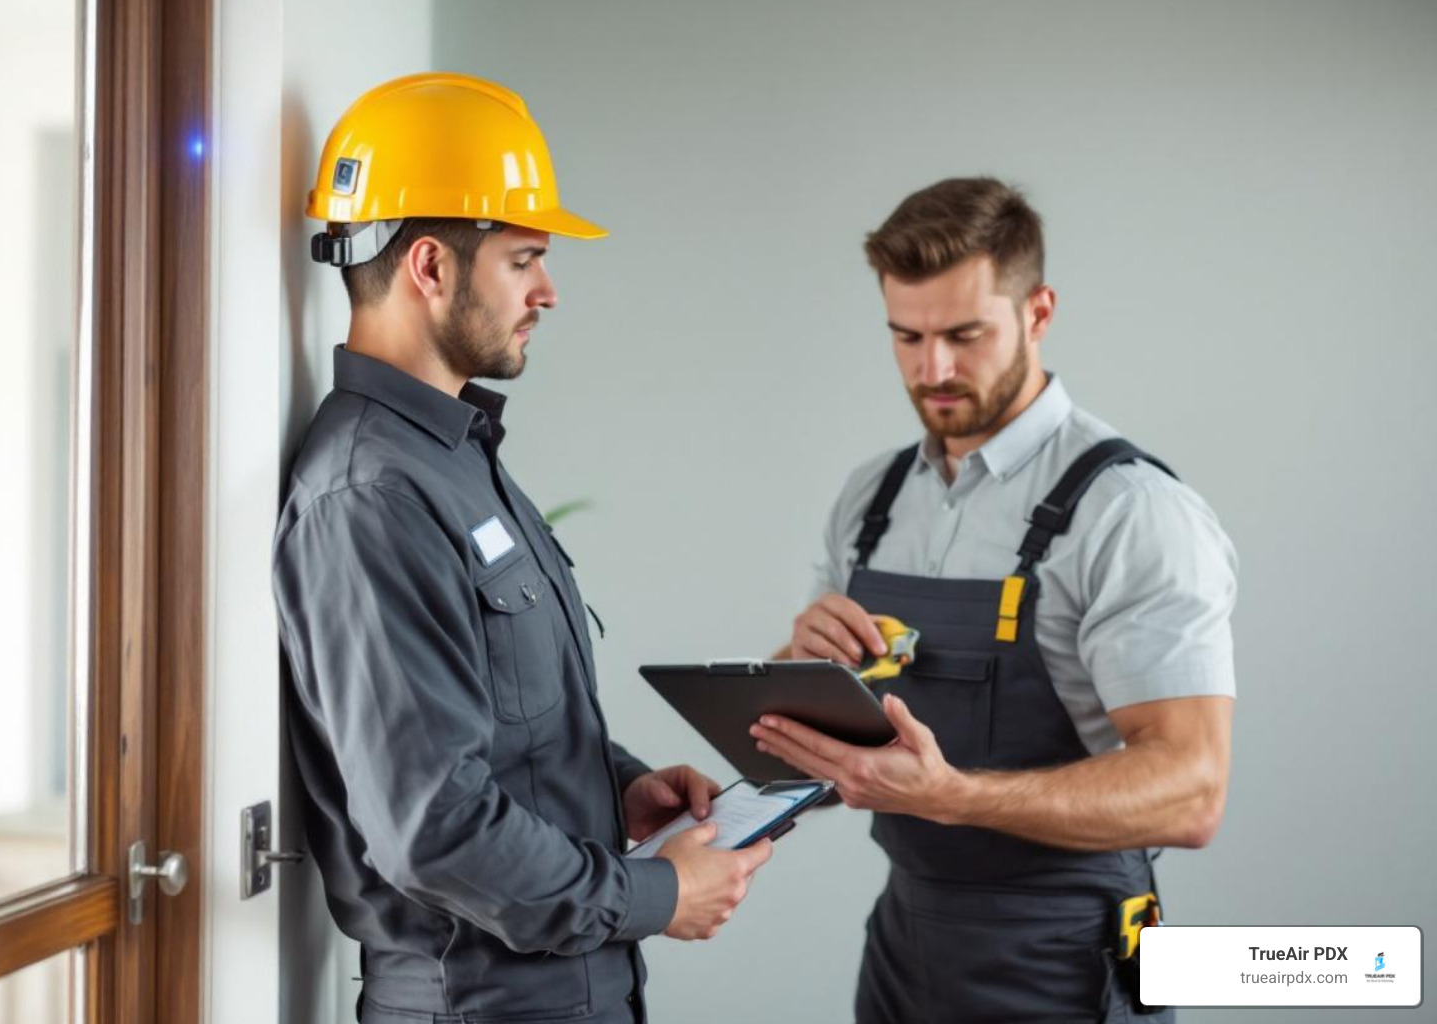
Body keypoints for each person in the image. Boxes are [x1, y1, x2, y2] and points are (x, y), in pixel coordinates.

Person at [273, 73, 770, 1024]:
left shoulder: (450, 457)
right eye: (524, 259)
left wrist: (616, 787)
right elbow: (433, 827)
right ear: (430, 267)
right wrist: (658, 894)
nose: (548, 291)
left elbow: (489, 725)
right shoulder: (373, 496)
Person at [751, 177, 1236, 1023]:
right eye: (907, 336)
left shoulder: (1130, 512)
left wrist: (953, 796)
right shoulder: (872, 499)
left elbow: (1191, 791)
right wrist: (797, 670)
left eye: (963, 335)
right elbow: (817, 761)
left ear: (1038, 313)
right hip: (903, 947)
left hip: (1067, 956)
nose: (932, 369)